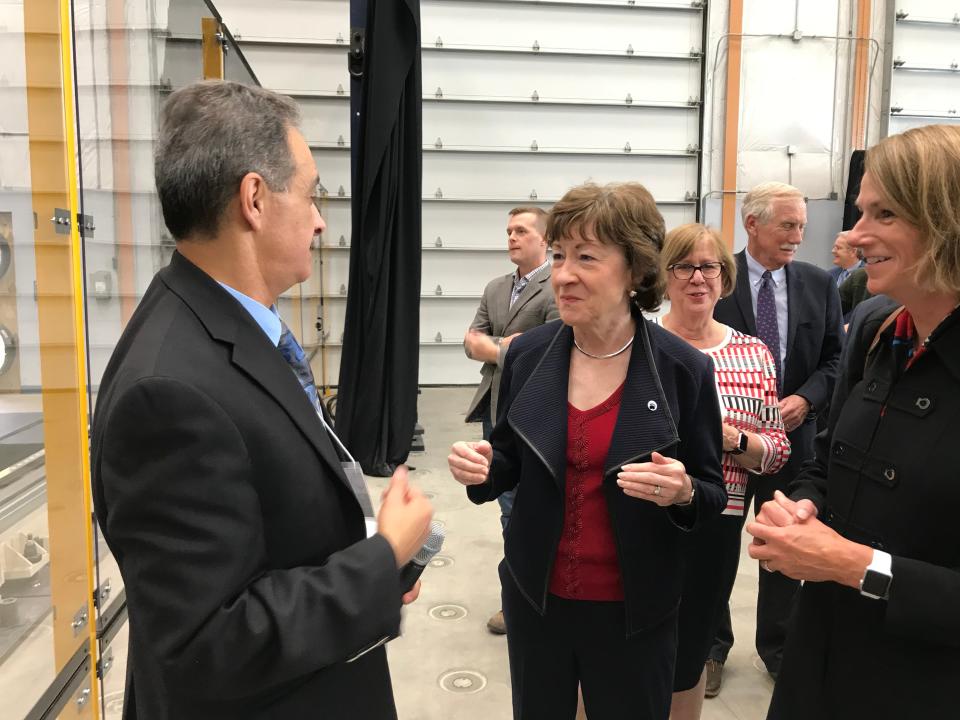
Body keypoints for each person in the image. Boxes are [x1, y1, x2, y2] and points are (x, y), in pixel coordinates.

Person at [90, 81, 433, 719]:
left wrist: (373, 562)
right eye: (310, 193)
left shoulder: (229, 327)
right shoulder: (169, 395)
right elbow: (205, 643)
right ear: (254, 199)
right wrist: (378, 563)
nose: (320, 218)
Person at [448, 182, 726, 720]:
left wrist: (685, 490)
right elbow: (508, 456)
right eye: (557, 255)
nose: (563, 274)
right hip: (538, 603)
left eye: (586, 257)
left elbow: (712, 492)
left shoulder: (682, 370)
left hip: (635, 612)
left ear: (637, 272)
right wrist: (484, 465)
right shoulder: (530, 355)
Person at [748, 124, 960, 719]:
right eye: (861, 211)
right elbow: (824, 459)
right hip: (821, 656)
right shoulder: (874, 328)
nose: (855, 235)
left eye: (884, 215)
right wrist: (804, 504)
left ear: (948, 220)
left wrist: (854, 565)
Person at [708, 182, 843, 690]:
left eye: (801, 226)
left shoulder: (816, 283)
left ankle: (780, 648)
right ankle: (711, 647)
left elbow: (835, 359)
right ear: (752, 224)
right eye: (787, 225)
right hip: (727, 444)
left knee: (782, 543)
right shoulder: (719, 280)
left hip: (793, 442)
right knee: (717, 544)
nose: (797, 236)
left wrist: (806, 398)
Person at [653, 224, 790, 719]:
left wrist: (733, 440)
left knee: (690, 650)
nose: (697, 278)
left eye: (708, 266)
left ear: (724, 278)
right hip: (642, 517)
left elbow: (776, 449)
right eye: (683, 266)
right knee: (631, 645)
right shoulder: (639, 344)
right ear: (665, 277)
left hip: (717, 521)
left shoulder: (753, 355)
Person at [463, 206, 559, 634]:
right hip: (496, 407)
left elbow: (553, 348)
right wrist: (509, 346)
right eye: (508, 231)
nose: (511, 238)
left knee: (529, 508)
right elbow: (470, 342)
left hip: (536, 410)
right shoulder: (496, 287)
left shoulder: (558, 286)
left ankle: (533, 596)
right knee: (505, 506)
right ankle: (518, 597)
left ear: (545, 239)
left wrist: (495, 348)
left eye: (521, 231)